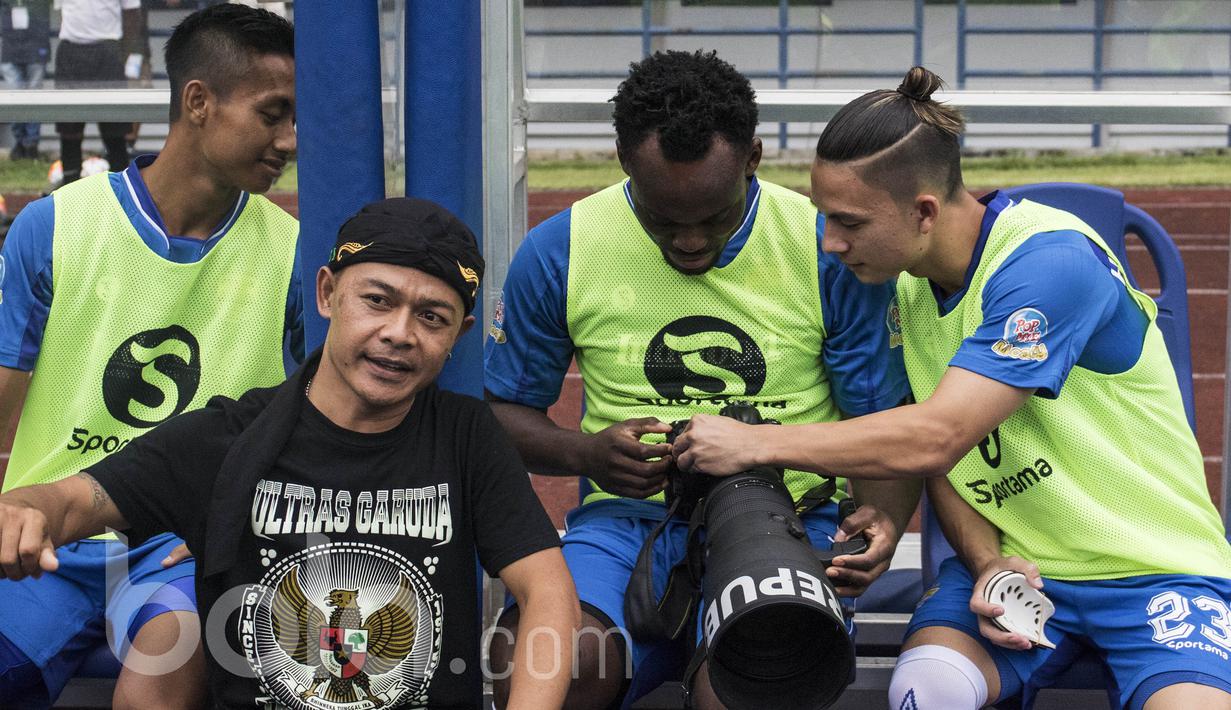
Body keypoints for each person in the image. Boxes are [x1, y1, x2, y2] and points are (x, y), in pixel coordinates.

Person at [672, 66, 1231, 710]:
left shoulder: (1049, 263)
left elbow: (937, 438)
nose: (830, 244)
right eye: (824, 219)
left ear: (925, 211)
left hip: (1154, 571)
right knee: (926, 687)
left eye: (848, 222)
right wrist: (985, 558)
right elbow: (953, 464)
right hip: (1015, 575)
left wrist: (754, 445)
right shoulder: (905, 284)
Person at [0, 197, 581, 710]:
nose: (400, 332)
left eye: (433, 317)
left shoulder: (467, 437)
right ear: (327, 293)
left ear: (459, 335)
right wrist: (30, 510)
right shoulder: (228, 437)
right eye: (377, 300)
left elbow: (547, 590)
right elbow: (75, 500)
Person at [484, 49, 917, 709]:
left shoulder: (825, 247)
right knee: (540, 663)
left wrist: (879, 520)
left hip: (788, 518)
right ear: (623, 162)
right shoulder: (563, 248)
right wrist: (587, 452)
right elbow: (499, 411)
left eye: (713, 217)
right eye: (663, 218)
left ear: (753, 159)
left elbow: (883, 422)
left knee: (753, 687)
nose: (688, 242)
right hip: (627, 523)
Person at [0, 4, 299, 707]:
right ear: (198, 102)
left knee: (156, 687)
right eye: (272, 114)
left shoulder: (295, 253)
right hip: (55, 537)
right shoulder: (54, 227)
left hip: (187, 550)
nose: (289, 139)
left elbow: (310, 425)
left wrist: (232, 529)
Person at [52, 0, 144, 182]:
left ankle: (122, 191)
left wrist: (125, 53)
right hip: (70, 50)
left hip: (108, 49)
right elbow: (61, 12)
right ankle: (69, 190)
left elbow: (132, 13)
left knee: (115, 131)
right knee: (69, 130)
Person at [0, 0, 51, 160]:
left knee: (33, 96)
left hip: (36, 43)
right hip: (10, 45)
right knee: (14, 95)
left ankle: (31, 143)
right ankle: (20, 141)